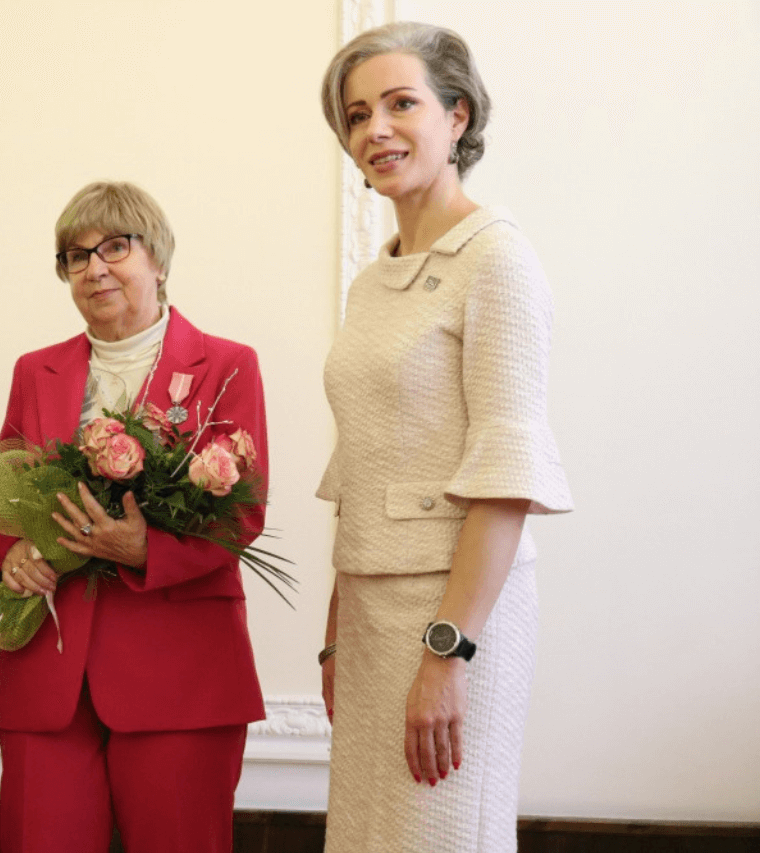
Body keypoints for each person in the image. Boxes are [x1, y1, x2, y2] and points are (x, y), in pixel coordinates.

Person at [316, 23, 573, 852]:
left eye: (402, 104)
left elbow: (507, 478)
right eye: (358, 115)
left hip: (453, 618)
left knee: (441, 835)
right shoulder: (374, 278)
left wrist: (447, 653)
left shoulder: (497, 260)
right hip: (366, 613)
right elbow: (361, 461)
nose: (376, 130)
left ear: (458, 117)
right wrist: (333, 631)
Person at [0, 181, 268, 853]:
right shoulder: (35, 371)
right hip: (47, 670)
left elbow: (241, 514)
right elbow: (3, 495)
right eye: (75, 256)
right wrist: (11, 555)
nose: (94, 267)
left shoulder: (226, 366)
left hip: (181, 674)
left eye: (115, 247)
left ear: (158, 259)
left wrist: (145, 548)